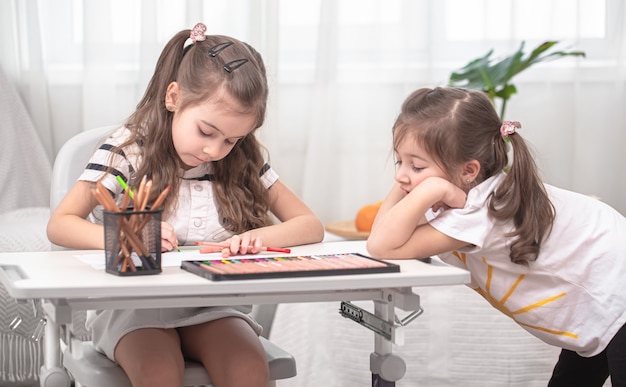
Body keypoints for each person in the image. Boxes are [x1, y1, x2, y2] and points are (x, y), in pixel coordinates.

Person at [47, 23, 324, 387]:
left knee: (248, 367)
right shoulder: (127, 151)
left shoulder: (242, 160)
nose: (215, 150)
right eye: (207, 132)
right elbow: (61, 224)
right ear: (174, 97)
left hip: (212, 305)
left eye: (232, 139)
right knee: (158, 372)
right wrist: (129, 237)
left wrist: (258, 236)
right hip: (135, 309)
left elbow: (310, 224)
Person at [366, 86, 626, 387]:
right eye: (399, 161)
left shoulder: (479, 211)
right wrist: (416, 179)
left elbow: (380, 244)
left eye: (417, 165)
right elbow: (384, 233)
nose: (400, 176)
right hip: (603, 301)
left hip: (616, 295)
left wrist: (430, 187)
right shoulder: (475, 194)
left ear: (469, 170)